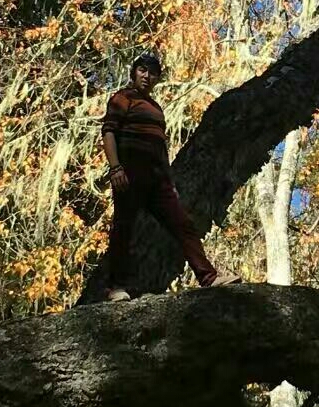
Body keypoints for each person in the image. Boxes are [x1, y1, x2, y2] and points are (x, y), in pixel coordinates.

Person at [100, 52, 239, 300]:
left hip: (157, 179)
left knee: (182, 224)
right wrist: (115, 167)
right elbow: (109, 132)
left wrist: (169, 181)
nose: (147, 76)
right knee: (124, 228)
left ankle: (208, 277)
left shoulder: (156, 109)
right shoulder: (122, 98)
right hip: (129, 173)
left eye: (152, 73)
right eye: (143, 70)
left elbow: (160, 148)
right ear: (134, 72)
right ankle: (116, 287)